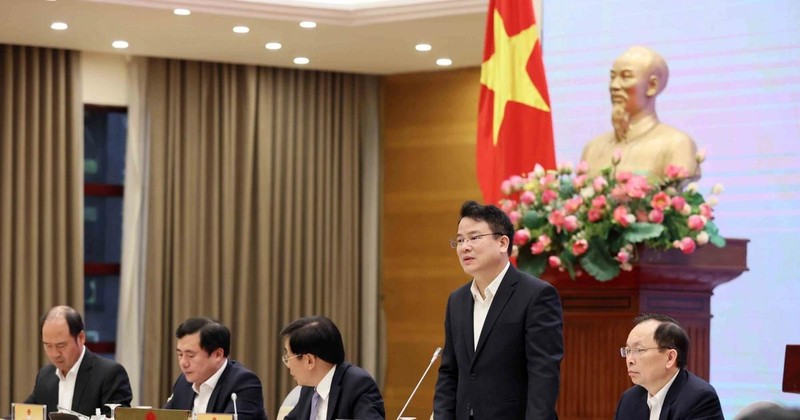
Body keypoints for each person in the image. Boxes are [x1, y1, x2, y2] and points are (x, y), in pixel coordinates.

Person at [433, 201, 564, 419]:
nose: (464, 247)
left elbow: (543, 374)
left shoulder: (536, 295)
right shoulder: (457, 300)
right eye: (459, 240)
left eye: (474, 238)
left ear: (503, 243)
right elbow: (449, 373)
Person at [581, 45, 700, 182]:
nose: (614, 85)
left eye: (626, 77)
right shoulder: (592, 149)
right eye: (612, 77)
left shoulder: (677, 144)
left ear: (652, 86)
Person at [24, 305, 132, 416]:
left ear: (81, 338)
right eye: (48, 346)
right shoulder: (45, 376)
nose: (54, 354)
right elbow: (23, 414)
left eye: (61, 345)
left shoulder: (110, 374)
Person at [614, 313, 723, 420]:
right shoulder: (629, 399)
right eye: (628, 351)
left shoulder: (700, 399)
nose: (629, 360)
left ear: (670, 357)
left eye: (639, 350)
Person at [280, 316, 384, 420]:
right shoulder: (309, 387)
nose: (288, 364)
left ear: (309, 360)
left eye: (288, 356)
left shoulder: (358, 385)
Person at [163, 317, 266, 420]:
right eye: (180, 354)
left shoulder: (244, 383)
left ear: (218, 354)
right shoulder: (183, 383)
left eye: (191, 356)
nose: (183, 363)